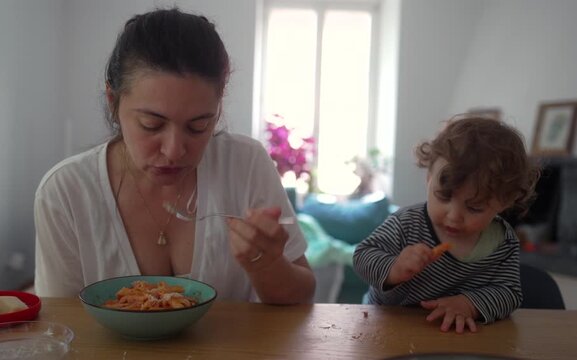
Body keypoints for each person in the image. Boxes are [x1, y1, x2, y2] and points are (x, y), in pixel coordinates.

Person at [34, 8, 315, 304]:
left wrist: (267, 265)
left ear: (218, 110)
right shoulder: (65, 192)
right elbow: (60, 323)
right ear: (113, 101)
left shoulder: (245, 164)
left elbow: (303, 298)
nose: (174, 151)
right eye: (151, 125)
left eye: (198, 126)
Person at [353, 116, 539, 333]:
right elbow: (362, 256)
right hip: (386, 324)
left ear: (505, 201)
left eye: (474, 207)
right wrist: (394, 268)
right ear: (429, 177)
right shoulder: (407, 223)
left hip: (452, 334)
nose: (454, 216)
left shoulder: (502, 241)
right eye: (443, 197)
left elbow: (509, 293)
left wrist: (469, 304)